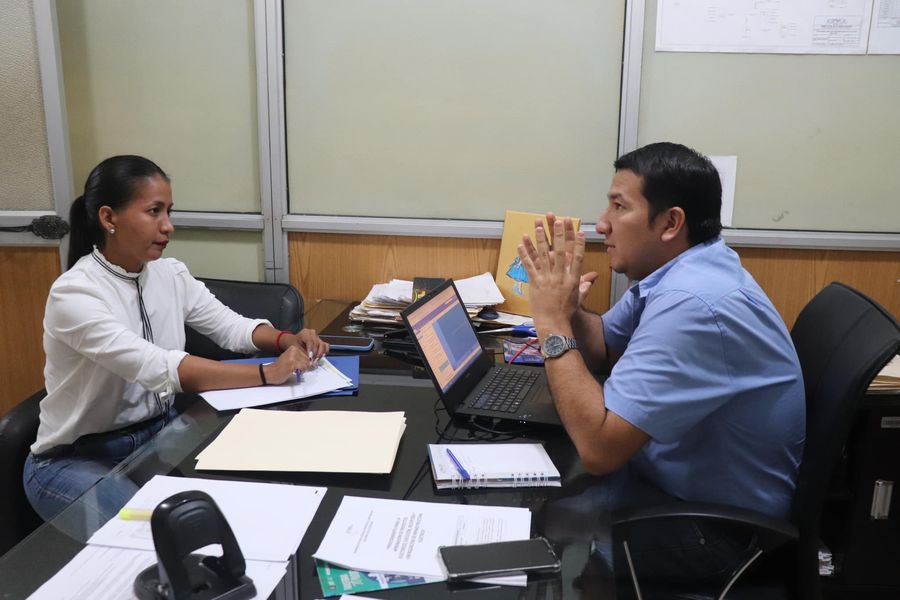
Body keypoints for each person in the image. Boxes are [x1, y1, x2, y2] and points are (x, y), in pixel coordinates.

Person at [518, 142, 805, 583]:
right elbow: (604, 345)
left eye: (619, 207)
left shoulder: (694, 304)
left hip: (714, 531)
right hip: (669, 486)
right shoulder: (684, 269)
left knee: (530, 536)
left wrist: (552, 323)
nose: (602, 224)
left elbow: (599, 450)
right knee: (533, 505)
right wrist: (569, 308)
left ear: (670, 223)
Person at [24, 155, 329, 526]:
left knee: (251, 506)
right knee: (154, 538)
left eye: (168, 211)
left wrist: (286, 340)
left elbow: (230, 327)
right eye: (154, 211)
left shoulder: (169, 274)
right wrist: (268, 374)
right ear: (108, 218)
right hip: (77, 459)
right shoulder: (75, 294)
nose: (168, 226)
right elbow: (162, 368)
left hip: (158, 439)